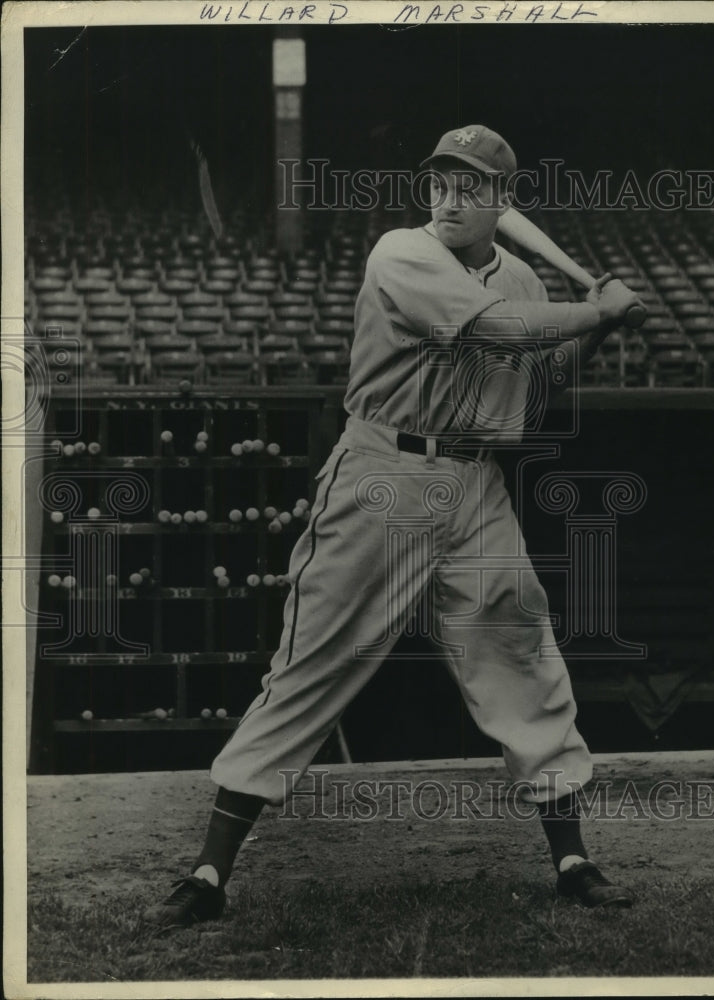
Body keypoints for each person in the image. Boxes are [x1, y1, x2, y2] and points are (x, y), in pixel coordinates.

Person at [144, 125, 641, 928]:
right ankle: (207, 874)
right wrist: (594, 306)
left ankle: (573, 860)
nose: (448, 198)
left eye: (469, 187)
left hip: (475, 481)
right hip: (383, 474)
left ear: (501, 200)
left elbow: (540, 382)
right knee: (312, 663)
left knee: (520, 654)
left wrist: (600, 326)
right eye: (440, 183)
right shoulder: (399, 253)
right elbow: (496, 330)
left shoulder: (520, 277)